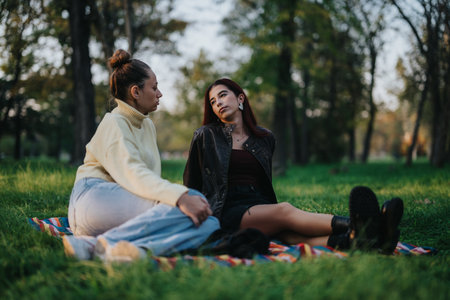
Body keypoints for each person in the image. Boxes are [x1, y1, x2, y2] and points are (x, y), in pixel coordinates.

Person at [183, 78, 404, 254]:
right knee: (285, 211)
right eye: (213, 101)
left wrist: (267, 210)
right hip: (226, 210)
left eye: (223, 95)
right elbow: (191, 183)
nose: (218, 103)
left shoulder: (264, 138)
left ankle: (364, 241)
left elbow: (262, 184)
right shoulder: (206, 136)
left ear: (240, 98)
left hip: (259, 206)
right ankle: (365, 224)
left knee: (292, 235)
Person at [62, 49, 220, 262]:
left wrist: (178, 198)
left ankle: (134, 250)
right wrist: (180, 196)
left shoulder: (146, 125)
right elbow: (133, 173)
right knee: (194, 201)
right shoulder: (115, 123)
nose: (160, 93)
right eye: (154, 88)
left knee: (209, 222)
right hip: (91, 200)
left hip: (125, 202)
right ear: (135, 92)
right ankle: (95, 243)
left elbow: (148, 180)